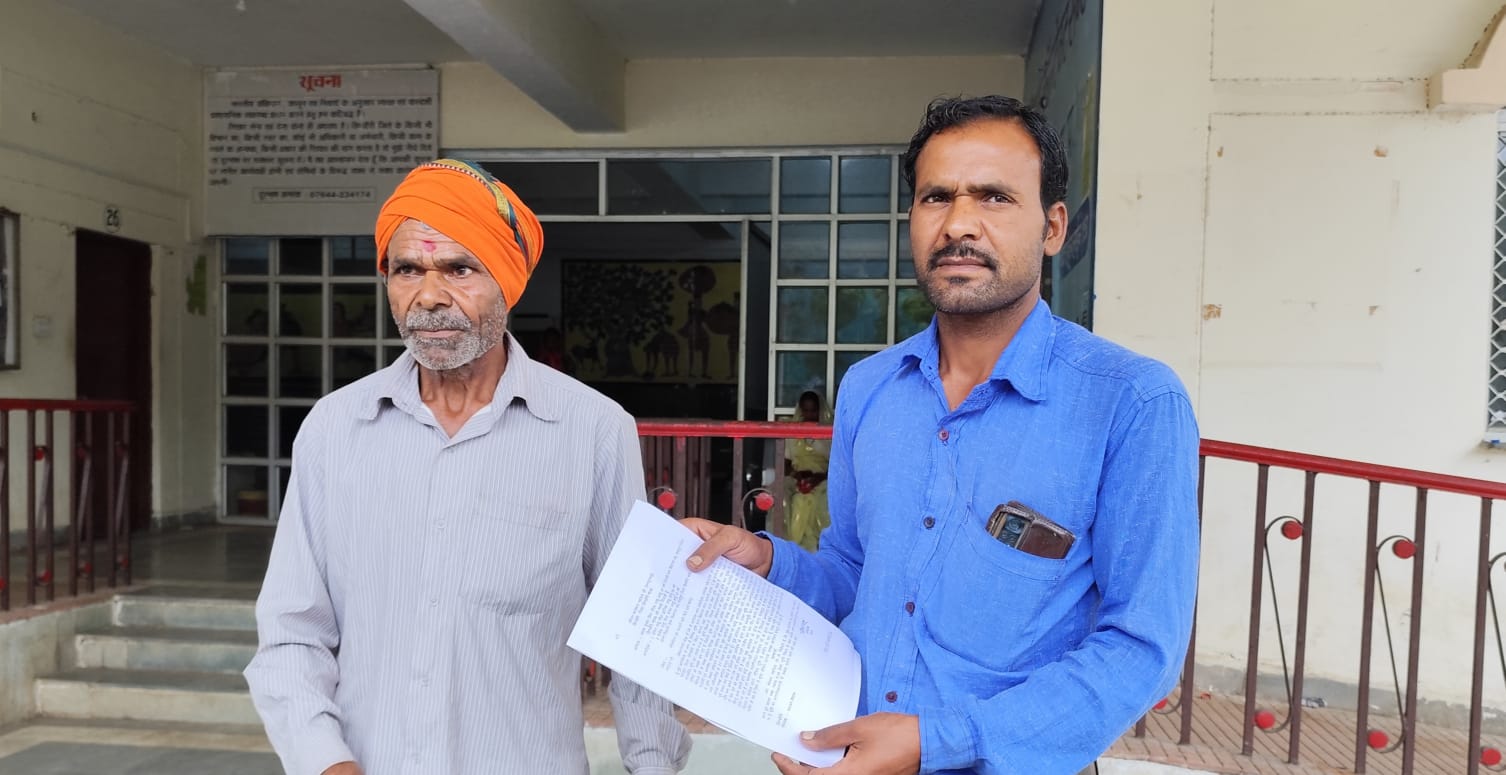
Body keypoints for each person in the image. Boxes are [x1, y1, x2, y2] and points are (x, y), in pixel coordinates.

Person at [683, 96, 1200, 775]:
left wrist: (940, 741)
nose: (958, 224)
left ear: (1052, 227)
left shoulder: (1131, 402)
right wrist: (769, 561)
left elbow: (1140, 649)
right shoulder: (869, 388)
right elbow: (856, 573)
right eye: (936, 197)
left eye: (994, 197)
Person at [244, 159, 691, 775]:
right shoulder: (335, 428)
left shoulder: (592, 429)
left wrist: (653, 765)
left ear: (506, 281)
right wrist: (325, 762)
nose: (429, 296)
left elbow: (635, 633)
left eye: (459, 268)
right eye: (407, 270)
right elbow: (292, 633)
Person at [783, 389, 833, 551]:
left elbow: (839, 466)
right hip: (798, 479)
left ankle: (821, 549)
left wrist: (819, 478)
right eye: (806, 410)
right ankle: (789, 547)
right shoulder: (793, 433)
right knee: (785, 497)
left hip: (825, 480)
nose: (810, 415)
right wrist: (797, 475)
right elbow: (786, 464)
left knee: (822, 500)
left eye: (814, 410)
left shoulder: (830, 433)